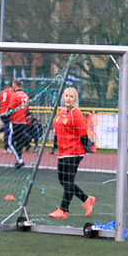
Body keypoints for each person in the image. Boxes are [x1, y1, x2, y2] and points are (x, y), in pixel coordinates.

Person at [49, 87, 96, 219]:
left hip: (74, 152)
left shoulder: (76, 114)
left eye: (71, 96)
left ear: (75, 99)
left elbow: (83, 134)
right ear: (63, 98)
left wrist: (84, 150)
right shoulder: (61, 113)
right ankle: (87, 200)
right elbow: (57, 131)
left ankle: (63, 210)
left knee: (69, 181)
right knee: (62, 181)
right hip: (63, 152)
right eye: (67, 96)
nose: (68, 98)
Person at [0, 79, 30, 168]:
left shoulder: (14, 95)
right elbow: (27, 109)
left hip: (15, 121)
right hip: (23, 121)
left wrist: (5, 115)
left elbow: (10, 108)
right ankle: (18, 160)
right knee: (19, 142)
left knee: (10, 142)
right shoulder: (25, 95)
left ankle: (20, 160)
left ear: (15, 85)